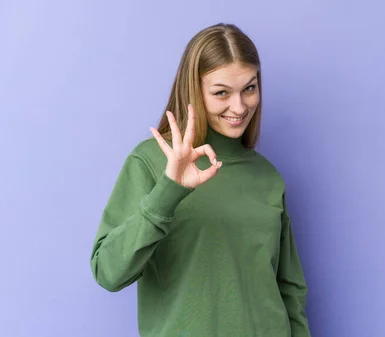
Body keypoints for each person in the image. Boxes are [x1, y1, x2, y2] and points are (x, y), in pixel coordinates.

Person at [90, 23, 311, 337]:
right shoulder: (151, 162)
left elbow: (290, 290)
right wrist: (169, 190)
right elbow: (108, 272)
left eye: (249, 88)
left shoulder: (267, 176)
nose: (240, 106)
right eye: (222, 92)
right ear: (194, 89)